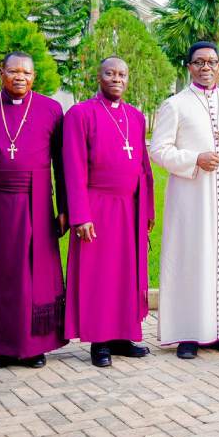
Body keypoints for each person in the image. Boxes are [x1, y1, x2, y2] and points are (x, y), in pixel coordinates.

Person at [0, 51, 68, 369]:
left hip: (37, 199)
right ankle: (1, 348)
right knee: (1, 276)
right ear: (2, 73)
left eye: (26, 72)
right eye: (13, 71)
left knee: (33, 275)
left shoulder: (51, 109)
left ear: (34, 76)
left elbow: (61, 165)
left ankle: (33, 347)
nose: (19, 77)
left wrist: (64, 208)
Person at [150, 41, 219, 359]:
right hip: (190, 200)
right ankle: (188, 333)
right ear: (189, 67)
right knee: (191, 262)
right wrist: (195, 159)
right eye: (200, 62)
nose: (206, 67)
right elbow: (159, 149)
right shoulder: (175, 104)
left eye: (212, 62)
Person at [63, 57, 155, 367]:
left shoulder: (135, 116)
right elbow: (72, 169)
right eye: (110, 73)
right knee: (99, 275)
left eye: (122, 74)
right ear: (98, 77)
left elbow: (144, 166)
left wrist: (148, 209)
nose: (116, 79)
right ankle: (99, 341)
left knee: (126, 274)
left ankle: (121, 336)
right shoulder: (80, 114)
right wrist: (80, 214)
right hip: (97, 205)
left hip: (129, 207)